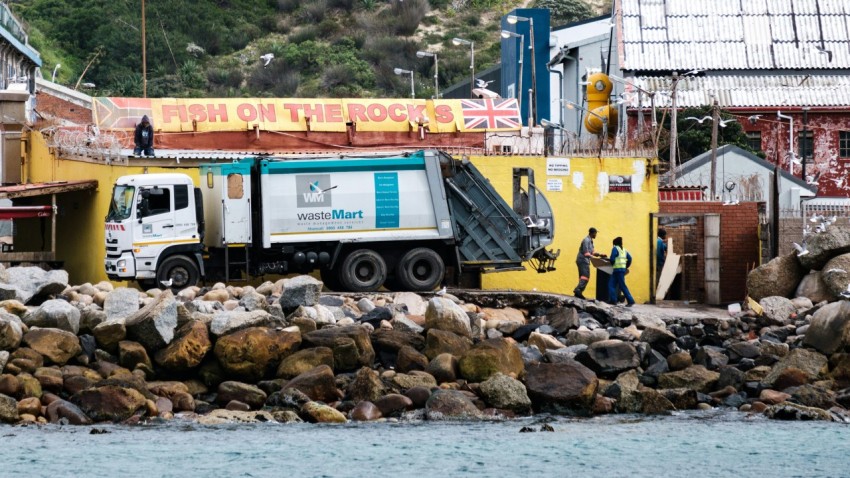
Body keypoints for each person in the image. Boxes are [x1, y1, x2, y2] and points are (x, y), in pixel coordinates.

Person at [573, 227, 605, 300]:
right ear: (592, 233)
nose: (596, 235)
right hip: (583, 260)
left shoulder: (590, 241)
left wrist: (600, 255)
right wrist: (594, 258)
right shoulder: (586, 240)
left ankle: (578, 292)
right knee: (585, 276)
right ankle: (578, 290)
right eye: (595, 233)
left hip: (584, 260)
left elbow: (592, 252)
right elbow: (586, 253)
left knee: (582, 277)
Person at [608, 236, 635, 307]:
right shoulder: (624, 250)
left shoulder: (615, 248)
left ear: (614, 243)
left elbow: (612, 259)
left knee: (621, 286)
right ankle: (613, 300)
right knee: (611, 284)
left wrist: (612, 263)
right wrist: (626, 266)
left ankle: (630, 300)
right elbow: (630, 258)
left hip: (617, 270)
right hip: (621, 270)